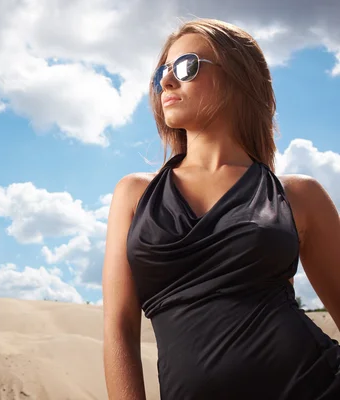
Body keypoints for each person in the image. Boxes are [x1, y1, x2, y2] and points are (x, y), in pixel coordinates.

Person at [102, 18, 340, 400]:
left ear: (236, 78)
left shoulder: (297, 195)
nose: (166, 82)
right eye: (162, 72)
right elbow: (119, 329)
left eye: (186, 66)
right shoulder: (135, 194)